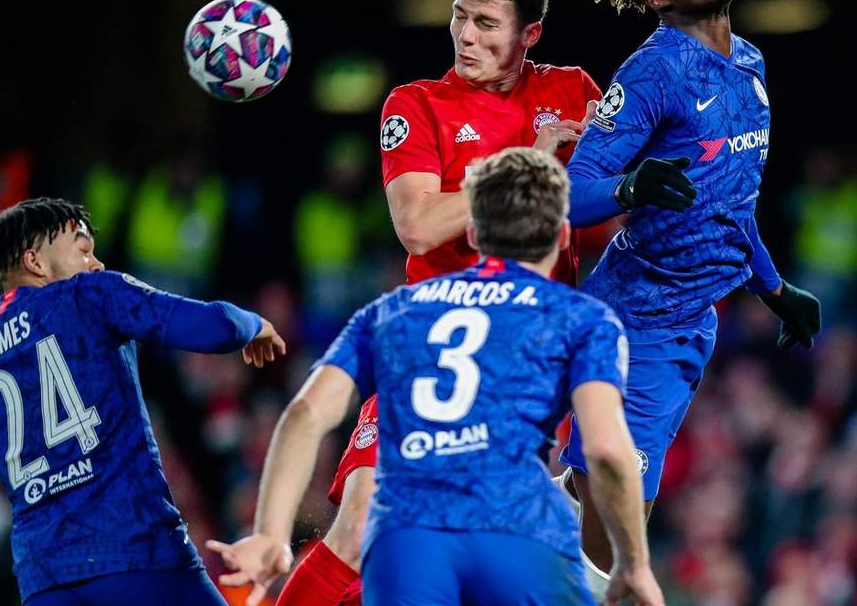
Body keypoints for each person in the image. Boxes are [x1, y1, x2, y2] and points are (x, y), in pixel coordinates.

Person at [276, 0, 603, 606]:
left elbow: (612, 205)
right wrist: (527, 164)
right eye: (459, 16)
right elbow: (419, 225)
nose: (465, 36)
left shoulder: (573, 92)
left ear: (530, 33)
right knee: (361, 520)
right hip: (434, 344)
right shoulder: (417, 104)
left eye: (486, 23)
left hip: (529, 361)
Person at [208, 148, 662, 606]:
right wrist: (634, 562)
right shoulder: (585, 320)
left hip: (410, 546)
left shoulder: (392, 311)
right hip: (511, 540)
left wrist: (270, 532)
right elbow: (606, 449)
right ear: (563, 235)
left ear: (473, 232)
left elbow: (306, 413)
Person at [557, 0, 823, 592]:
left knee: (602, 528)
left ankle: (538, 514)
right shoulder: (652, 72)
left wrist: (773, 288)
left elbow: (730, 200)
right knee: (617, 557)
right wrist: (628, 187)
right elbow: (570, 192)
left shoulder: (751, 61)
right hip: (635, 325)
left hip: (688, 324)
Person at [0, 197, 286, 606]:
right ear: (35, 262)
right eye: (83, 250)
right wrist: (255, 324)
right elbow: (216, 326)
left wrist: (1, 445)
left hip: (44, 579)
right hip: (137, 549)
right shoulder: (90, 295)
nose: (97, 264)